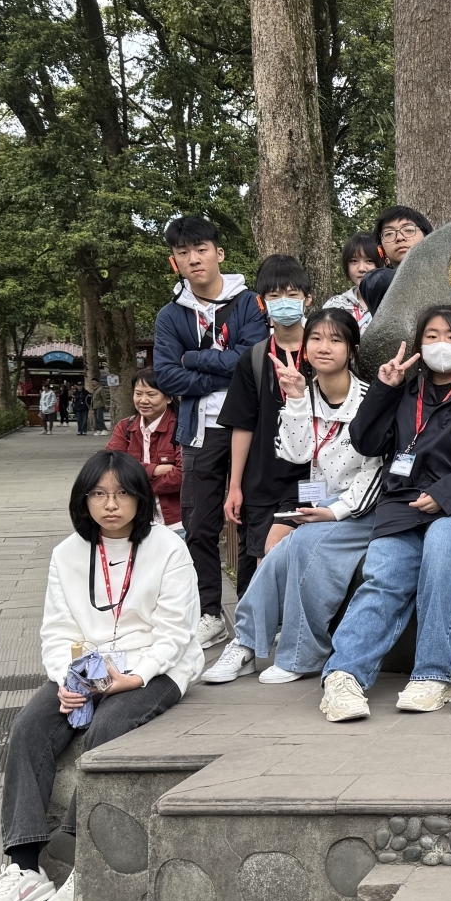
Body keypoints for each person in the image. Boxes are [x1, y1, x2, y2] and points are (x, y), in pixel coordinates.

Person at [0, 451, 202, 901]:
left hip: (153, 666)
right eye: (99, 493)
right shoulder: (67, 553)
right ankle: (24, 867)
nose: (111, 504)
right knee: (29, 727)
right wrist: (66, 679)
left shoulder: (168, 548)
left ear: (140, 498)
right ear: (84, 500)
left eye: (122, 493)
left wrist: (135, 677)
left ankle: (81, 858)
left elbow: (175, 632)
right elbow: (57, 629)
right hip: (87, 666)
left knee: (108, 727)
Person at [320, 304, 451, 721]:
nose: (441, 345)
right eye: (432, 336)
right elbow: (365, 442)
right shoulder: (403, 391)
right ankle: (343, 675)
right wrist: (384, 389)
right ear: (418, 344)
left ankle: (435, 673)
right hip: (401, 505)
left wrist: (444, 495)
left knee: (442, 547)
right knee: (385, 574)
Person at [202, 309, 384, 684]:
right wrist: (297, 399)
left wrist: (334, 512)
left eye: (335, 339)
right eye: (315, 338)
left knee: (301, 543)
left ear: (352, 349)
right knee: (277, 555)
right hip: (320, 503)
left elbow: (376, 472)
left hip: (363, 508)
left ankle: (302, 655)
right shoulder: (304, 395)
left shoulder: (370, 399)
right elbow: (296, 454)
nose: (324, 347)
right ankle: (246, 643)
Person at [152, 215, 270, 647]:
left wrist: (192, 359)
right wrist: (222, 369)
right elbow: (166, 376)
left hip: (248, 427)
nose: (194, 259)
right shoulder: (170, 315)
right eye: (183, 252)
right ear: (174, 261)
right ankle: (209, 613)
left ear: (219, 253)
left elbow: (252, 360)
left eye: (201, 249)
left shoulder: (250, 303)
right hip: (198, 430)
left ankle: (252, 613)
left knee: (253, 522)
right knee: (199, 525)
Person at [219, 254, 315, 598]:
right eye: (274, 295)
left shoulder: (325, 352)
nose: (283, 302)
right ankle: (252, 627)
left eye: (292, 294)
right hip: (262, 481)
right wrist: (235, 486)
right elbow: (242, 425)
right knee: (257, 566)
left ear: (307, 299)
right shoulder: (254, 357)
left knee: (307, 568)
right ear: (262, 302)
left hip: (313, 480)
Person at [106, 377, 183, 528]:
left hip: (176, 523)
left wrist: (133, 485)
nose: (143, 400)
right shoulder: (124, 427)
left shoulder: (182, 427)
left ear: (168, 398)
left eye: (151, 394)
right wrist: (153, 470)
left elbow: (183, 475)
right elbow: (111, 465)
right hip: (132, 521)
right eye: (138, 394)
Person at [357, 205, 433, 316]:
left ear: (428, 238)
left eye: (409, 230)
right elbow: (382, 281)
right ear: (381, 249)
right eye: (389, 234)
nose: (399, 238)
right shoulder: (375, 281)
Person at [327, 232, 381, 331]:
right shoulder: (335, 305)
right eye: (354, 261)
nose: (361, 269)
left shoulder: (393, 302)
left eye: (369, 261)